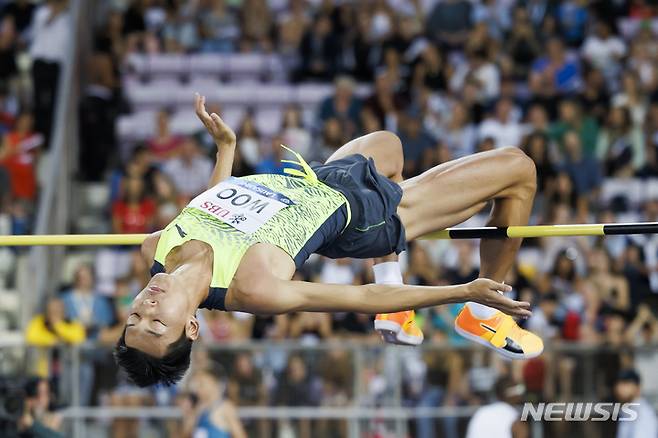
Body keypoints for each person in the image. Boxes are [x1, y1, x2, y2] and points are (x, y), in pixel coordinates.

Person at [114, 94, 543, 387]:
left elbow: (211, 211)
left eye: (134, 319)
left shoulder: (155, 247)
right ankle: (482, 314)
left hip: (316, 177)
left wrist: (226, 149)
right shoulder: (251, 287)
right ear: (191, 327)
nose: (146, 310)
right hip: (363, 217)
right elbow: (359, 298)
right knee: (518, 169)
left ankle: (398, 310)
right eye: (157, 324)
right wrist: (461, 290)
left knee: (388, 144)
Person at [614, 369, 658, 438]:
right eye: (618, 383)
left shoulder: (644, 414)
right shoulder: (626, 411)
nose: (619, 388)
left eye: (625, 383)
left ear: (637, 387)